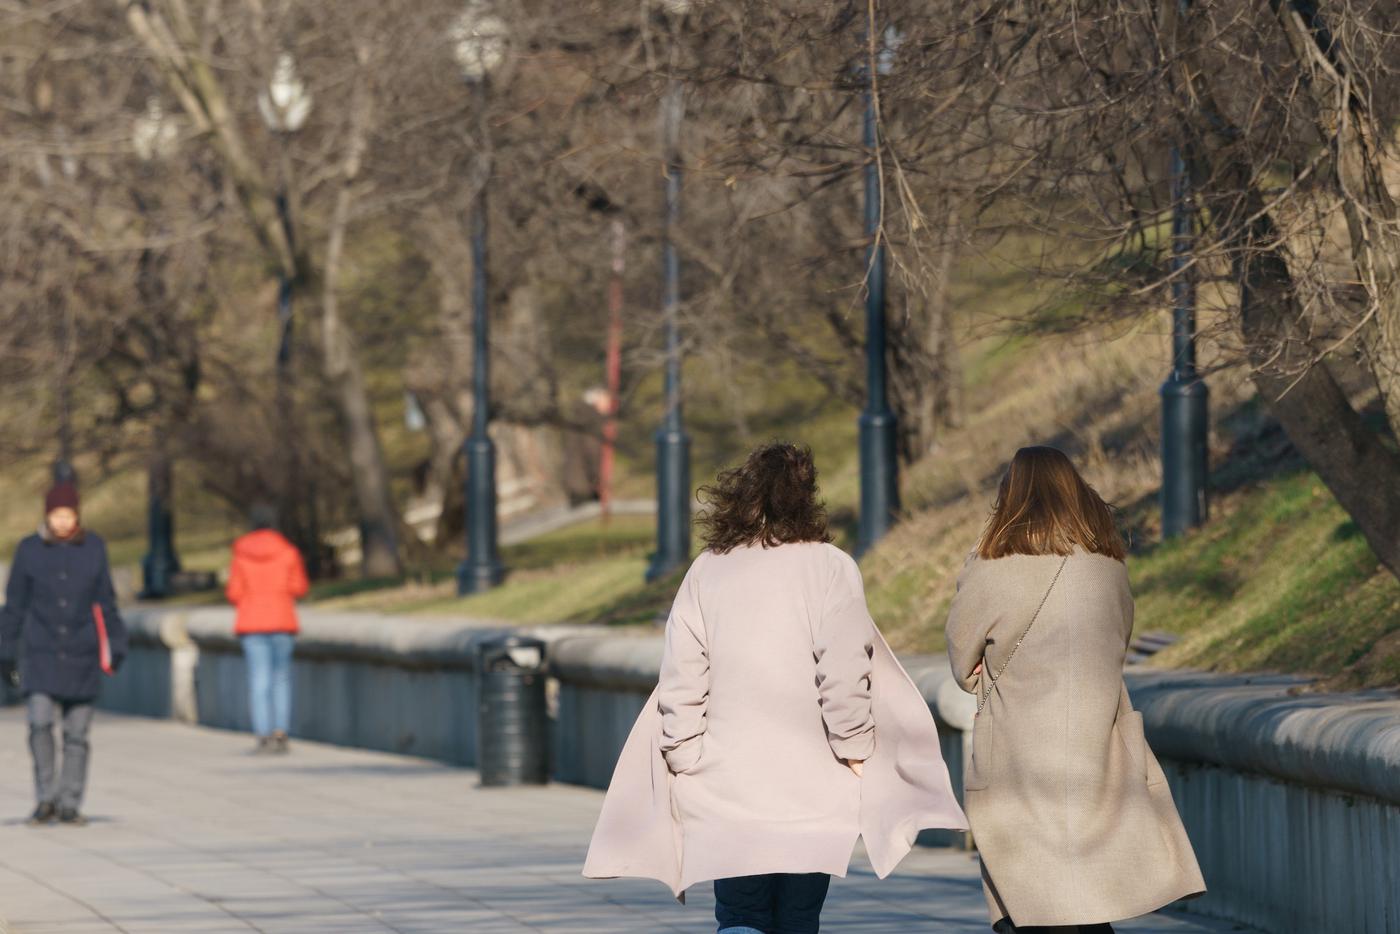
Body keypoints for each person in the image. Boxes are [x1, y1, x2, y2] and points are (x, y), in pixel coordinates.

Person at [585, 442, 967, 933]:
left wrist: (682, 753)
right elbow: (845, 672)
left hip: (727, 783)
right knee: (798, 917)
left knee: (740, 915)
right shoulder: (831, 567)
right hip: (813, 783)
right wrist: (854, 749)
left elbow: (682, 675)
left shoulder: (708, 569)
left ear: (739, 496)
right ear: (806, 498)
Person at [945, 446, 1205, 933]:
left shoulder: (991, 565)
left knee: (1029, 901)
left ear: (1010, 496)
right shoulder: (1108, 566)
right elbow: (1118, 642)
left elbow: (964, 660)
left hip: (1018, 755)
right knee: (1084, 900)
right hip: (1095, 746)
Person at [0, 481, 127, 826]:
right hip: (39, 652)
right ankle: (46, 797)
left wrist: (116, 644)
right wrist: (6, 651)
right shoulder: (29, 550)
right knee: (39, 723)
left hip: (82, 652)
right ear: (47, 515)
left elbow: (106, 601)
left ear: (77, 516)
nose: (62, 522)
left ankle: (70, 801)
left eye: (68, 515)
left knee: (77, 733)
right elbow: (14, 605)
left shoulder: (93, 547)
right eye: (56, 515)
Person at [226, 504, 309, 755]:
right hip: (281, 621)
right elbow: (299, 587)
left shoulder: (241, 554)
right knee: (281, 678)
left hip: (252, 623)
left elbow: (234, 592)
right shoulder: (288, 552)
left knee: (258, 680)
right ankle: (281, 733)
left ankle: (262, 734)